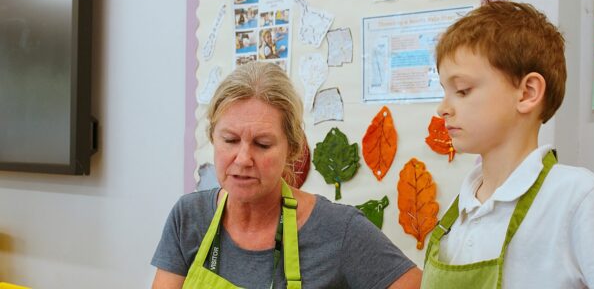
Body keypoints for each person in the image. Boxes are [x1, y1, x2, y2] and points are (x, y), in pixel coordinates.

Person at [421, 0, 594, 288]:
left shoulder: (576, 197)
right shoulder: (462, 209)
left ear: (528, 93)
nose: (443, 108)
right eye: (445, 91)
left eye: (463, 91)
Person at [151, 62, 421, 288]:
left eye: (263, 144)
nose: (243, 159)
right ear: (213, 137)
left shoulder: (339, 230)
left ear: (292, 149)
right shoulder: (189, 218)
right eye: (230, 140)